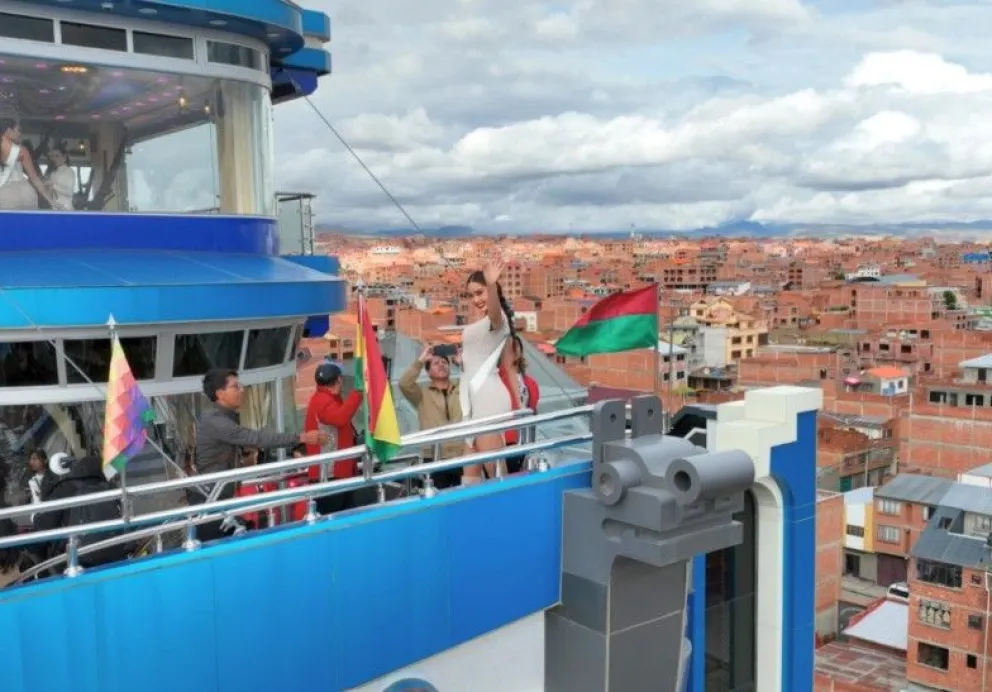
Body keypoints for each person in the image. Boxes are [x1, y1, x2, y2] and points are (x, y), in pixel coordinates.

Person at [193, 368, 327, 541]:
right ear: (220, 393)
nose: (242, 390)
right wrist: (300, 437)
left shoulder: (225, 417)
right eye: (235, 387)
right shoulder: (214, 420)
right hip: (209, 501)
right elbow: (254, 438)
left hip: (221, 499)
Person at [459, 258, 517, 484]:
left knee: (496, 475)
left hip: (489, 401)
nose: (476, 299)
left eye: (480, 292)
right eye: (472, 294)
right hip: (471, 405)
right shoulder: (481, 324)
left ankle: (509, 516)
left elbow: (494, 311)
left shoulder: (498, 319)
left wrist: (492, 285)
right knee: (469, 477)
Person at [34, 455, 132, 569]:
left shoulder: (63, 489)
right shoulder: (109, 487)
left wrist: (36, 518)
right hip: (114, 554)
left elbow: (44, 526)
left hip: (77, 560)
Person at [399, 344, 464, 489]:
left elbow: (476, 380)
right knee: (439, 502)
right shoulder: (422, 394)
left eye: (444, 362)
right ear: (428, 372)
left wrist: (462, 363)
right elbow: (404, 383)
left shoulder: (461, 387)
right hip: (434, 457)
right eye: (436, 363)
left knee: (463, 500)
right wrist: (421, 360)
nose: (441, 365)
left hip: (461, 454)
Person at [304, 361, 365, 514]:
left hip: (336, 475)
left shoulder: (323, 398)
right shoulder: (323, 401)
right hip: (329, 476)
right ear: (339, 380)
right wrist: (358, 393)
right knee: (335, 522)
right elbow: (340, 417)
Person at [500, 334, 541, 474]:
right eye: (509, 347)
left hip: (525, 441)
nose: (513, 350)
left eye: (516, 347)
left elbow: (533, 411)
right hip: (505, 441)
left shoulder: (531, 383)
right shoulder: (498, 379)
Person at [0, 118, 53, 210]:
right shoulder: (21, 151)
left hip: (3, 195)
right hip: (24, 194)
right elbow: (35, 179)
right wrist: (52, 201)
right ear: (8, 131)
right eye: (17, 130)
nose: (19, 134)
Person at [44, 142, 76, 211]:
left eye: (57, 156)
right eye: (53, 156)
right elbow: (50, 195)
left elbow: (69, 192)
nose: (54, 159)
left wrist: (53, 185)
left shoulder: (69, 171)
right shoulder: (53, 174)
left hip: (67, 209)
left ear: (64, 157)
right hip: (55, 209)